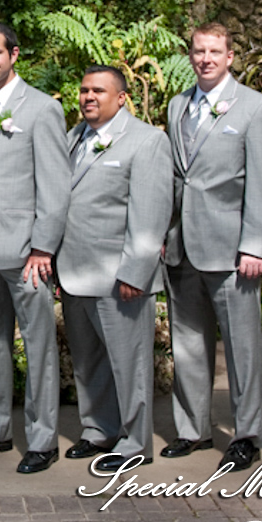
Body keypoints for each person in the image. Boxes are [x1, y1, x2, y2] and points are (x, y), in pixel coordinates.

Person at [162, 22, 262, 471]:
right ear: (190, 55)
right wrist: (162, 232)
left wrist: (255, 245)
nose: (206, 58)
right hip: (181, 246)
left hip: (232, 249)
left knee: (242, 347)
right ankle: (192, 428)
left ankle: (247, 434)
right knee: (189, 342)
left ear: (230, 57)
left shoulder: (256, 108)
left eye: (215, 51)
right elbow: (176, 179)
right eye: (198, 51)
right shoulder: (177, 106)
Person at [0, 22, 69, 474]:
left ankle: (43, 440)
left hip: (26, 253)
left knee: (40, 347)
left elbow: (56, 185)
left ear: (14, 55)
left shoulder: (42, 109)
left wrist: (43, 248)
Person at [56, 66, 172, 473]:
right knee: (88, 361)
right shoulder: (73, 138)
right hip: (73, 271)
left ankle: (136, 440)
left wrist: (135, 272)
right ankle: (98, 429)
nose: (88, 97)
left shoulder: (147, 141)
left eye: (98, 91)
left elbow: (151, 213)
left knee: (129, 362)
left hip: (119, 276)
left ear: (121, 97)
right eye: (84, 89)